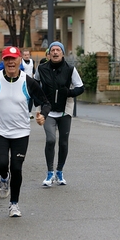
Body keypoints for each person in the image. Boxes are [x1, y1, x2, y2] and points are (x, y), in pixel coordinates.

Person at [0, 46, 51, 217]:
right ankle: (3, 177)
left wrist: (42, 115)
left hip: (21, 133)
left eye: (13, 59)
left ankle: (14, 204)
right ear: (3, 61)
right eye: (7, 59)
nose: (10, 62)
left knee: (17, 169)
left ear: (20, 60)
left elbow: (45, 102)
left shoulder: (28, 82)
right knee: (1, 165)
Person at [35, 41, 84, 187]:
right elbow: (34, 84)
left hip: (65, 110)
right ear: (49, 53)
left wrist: (68, 92)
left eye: (58, 50)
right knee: (50, 140)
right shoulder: (42, 68)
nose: (55, 52)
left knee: (63, 142)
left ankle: (60, 171)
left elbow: (80, 87)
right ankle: (50, 173)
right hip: (47, 110)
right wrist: (38, 100)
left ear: (62, 53)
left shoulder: (70, 69)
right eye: (53, 50)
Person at [21, 49, 36, 119]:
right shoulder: (21, 62)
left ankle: (29, 111)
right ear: (22, 56)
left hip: (30, 81)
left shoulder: (32, 61)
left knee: (31, 97)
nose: (27, 56)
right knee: (24, 97)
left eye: (28, 55)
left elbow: (33, 70)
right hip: (23, 81)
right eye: (25, 55)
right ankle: (23, 111)